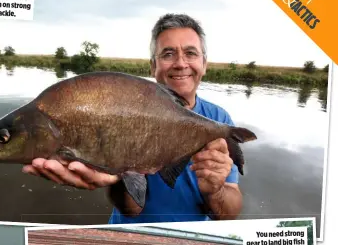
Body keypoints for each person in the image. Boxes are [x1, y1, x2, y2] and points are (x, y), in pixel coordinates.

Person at [22, 13, 243, 223]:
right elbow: (132, 209)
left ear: (204, 64)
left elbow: (228, 214)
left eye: (191, 53)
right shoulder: (124, 107)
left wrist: (216, 190)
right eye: (167, 54)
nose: (180, 63)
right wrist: (117, 174)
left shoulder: (218, 120)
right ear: (153, 66)